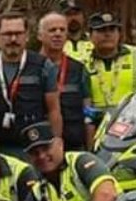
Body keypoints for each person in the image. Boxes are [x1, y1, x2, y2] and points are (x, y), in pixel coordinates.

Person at [0, 12, 64, 158]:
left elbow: (53, 110)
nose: (13, 39)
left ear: (27, 36)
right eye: (7, 34)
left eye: (18, 34)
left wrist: (55, 143)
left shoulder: (43, 66)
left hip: (35, 147)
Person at [84, 12, 136, 114]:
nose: (107, 34)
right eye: (101, 30)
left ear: (119, 34)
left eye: (112, 30)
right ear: (90, 35)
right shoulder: (82, 61)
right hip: (96, 123)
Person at [37, 12, 96, 150]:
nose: (58, 34)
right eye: (52, 30)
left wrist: (90, 147)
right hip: (39, 145)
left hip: (73, 144)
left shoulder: (79, 69)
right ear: (40, 36)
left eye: (62, 30)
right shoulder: (30, 67)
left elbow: (88, 109)